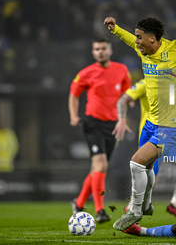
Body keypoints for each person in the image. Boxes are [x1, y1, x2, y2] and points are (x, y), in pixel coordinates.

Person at [104, 8, 176, 230]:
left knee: (136, 162)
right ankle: (147, 204)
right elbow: (130, 40)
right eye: (137, 37)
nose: (137, 42)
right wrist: (116, 29)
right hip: (151, 124)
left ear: (152, 38)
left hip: (173, 125)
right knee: (146, 167)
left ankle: (136, 211)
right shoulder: (143, 50)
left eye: (140, 37)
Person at [113, 78, 176, 222]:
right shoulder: (145, 83)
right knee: (151, 183)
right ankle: (131, 208)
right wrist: (122, 119)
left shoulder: (173, 83)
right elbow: (123, 99)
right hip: (153, 138)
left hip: (171, 135)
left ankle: (175, 205)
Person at [69, 38, 131, 223]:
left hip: (112, 126)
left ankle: (79, 203)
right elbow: (74, 94)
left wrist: (127, 108)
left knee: (97, 167)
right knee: (101, 165)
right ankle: (100, 210)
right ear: (93, 52)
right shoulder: (86, 73)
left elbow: (126, 94)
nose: (100, 52)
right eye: (97, 49)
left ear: (110, 51)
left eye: (103, 48)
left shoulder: (121, 70)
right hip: (93, 123)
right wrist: (73, 116)